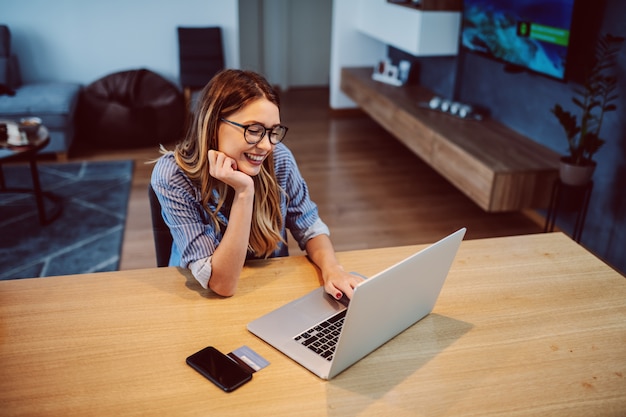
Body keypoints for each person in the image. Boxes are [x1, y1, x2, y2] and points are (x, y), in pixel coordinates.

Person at [151, 69, 363, 298]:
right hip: (199, 299)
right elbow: (221, 284)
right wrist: (244, 192)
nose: (267, 146)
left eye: (273, 132)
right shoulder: (173, 175)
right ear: (213, 123)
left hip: (266, 289)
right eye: (254, 131)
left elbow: (310, 227)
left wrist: (333, 269)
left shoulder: (278, 158)